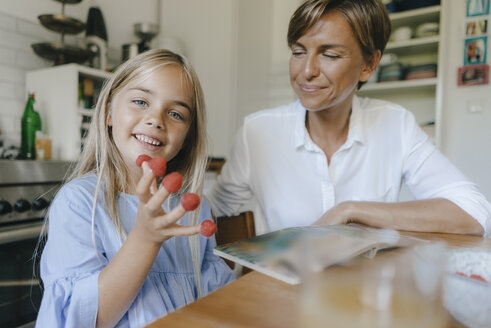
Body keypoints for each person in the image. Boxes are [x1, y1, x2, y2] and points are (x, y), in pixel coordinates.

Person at [206, 0, 491, 237]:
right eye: (298, 52)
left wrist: (352, 210)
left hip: (364, 294)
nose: (307, 70)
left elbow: (475, 213)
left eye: (329, 54)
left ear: (368, 65)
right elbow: (213, 210)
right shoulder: (258, 132)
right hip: (284, 291)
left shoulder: (396, 125)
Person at [36, 49, 234, 328]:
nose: (156, 120)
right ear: (108, 113)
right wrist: (145, 239)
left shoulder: (192, 207)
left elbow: (216, 300)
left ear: (187, 136)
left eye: (176, 113)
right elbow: (85, 320)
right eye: (141, 101)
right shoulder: (80, 202)